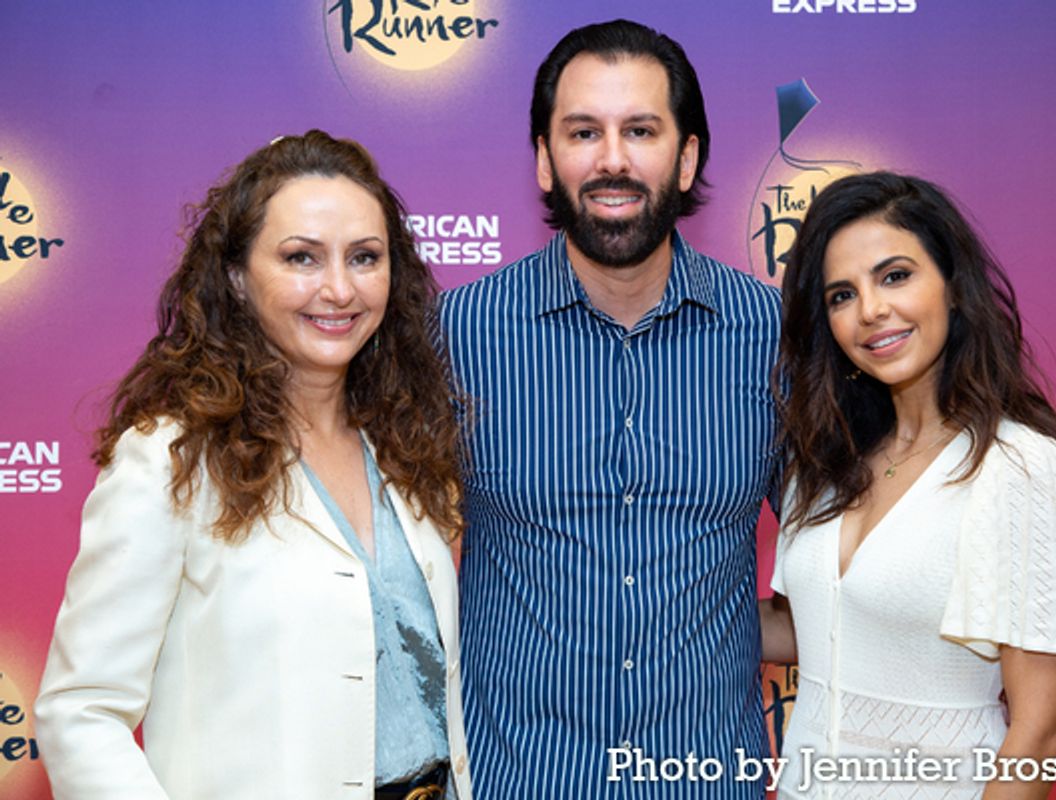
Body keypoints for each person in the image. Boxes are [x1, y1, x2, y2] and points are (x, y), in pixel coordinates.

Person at [35, 130, 472, 800]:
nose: (339, 288)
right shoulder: (170, 459)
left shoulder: (404, 443)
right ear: (237, 279)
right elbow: (80, 712)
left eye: (364, 257)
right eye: (301, 258)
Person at [437, 19, 781, 800]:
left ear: (687, 157)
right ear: (544, 159)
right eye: (584, 132)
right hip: (513, 780)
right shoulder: (456, 334)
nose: (613, 159)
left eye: (641, 131)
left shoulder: (773, 335)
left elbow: (843, 565)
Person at [761, 171, 1056, 799]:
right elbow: (811, 626)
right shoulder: (824, 464)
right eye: (842, 294)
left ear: (953, 287)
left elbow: (1040, 734)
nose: (871, 310)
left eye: (895, 276)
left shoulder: (1020, 469)